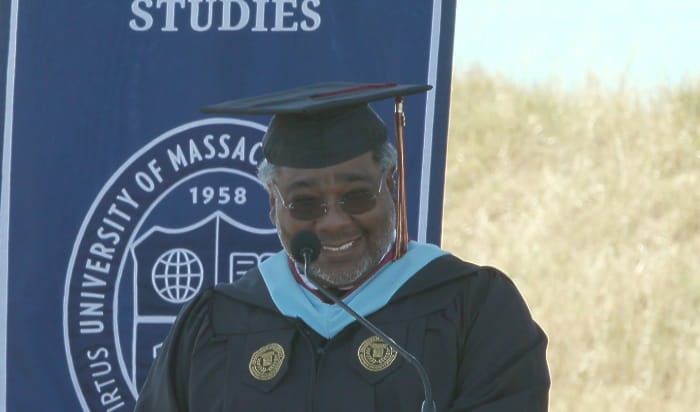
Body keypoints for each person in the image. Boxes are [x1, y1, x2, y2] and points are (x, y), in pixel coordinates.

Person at [134, 82, 550, 411]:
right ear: (273, 205)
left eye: (357, 196)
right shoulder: (215, 322)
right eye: (305, 204)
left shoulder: (472, 307)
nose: (333, 221)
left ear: (390, 186)